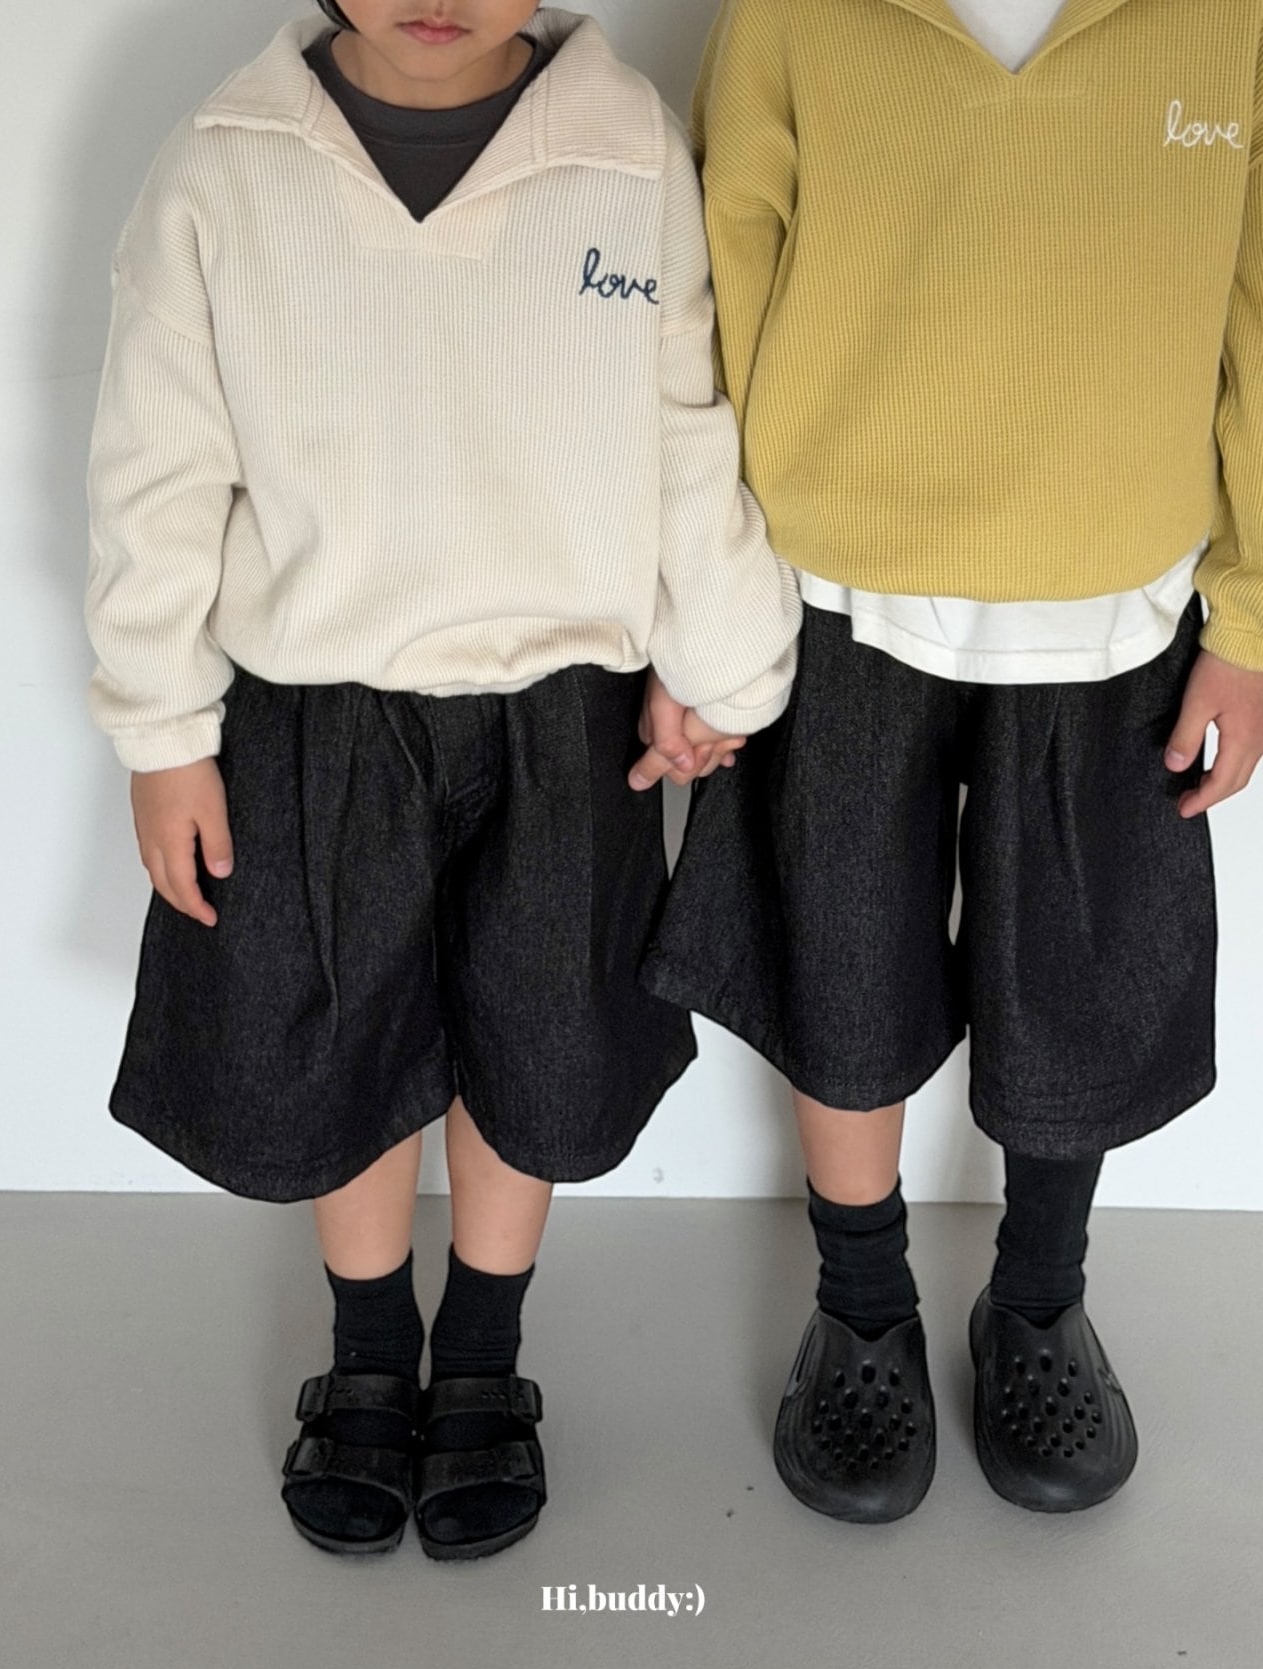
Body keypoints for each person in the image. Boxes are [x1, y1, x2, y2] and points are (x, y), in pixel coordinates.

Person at [85, 0, 799, 1560]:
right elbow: (158, 463)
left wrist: (722, 661)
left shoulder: (622, 148)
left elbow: (684, 419)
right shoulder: (227, 161)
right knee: (340, 1034)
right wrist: (162, 730)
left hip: (566, 706)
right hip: (315, 705)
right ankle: (365, 1354)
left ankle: (481, 1351)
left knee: (537, 1039)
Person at [643, 0, 1263, 1521]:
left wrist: (1250, 618)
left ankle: (1040, 1298)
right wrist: (708, 612)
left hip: (1119, 591)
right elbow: (715, 291)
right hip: (837, 585)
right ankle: (861, 1306)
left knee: (1084, 974)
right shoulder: (793, 13)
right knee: (839, 954)